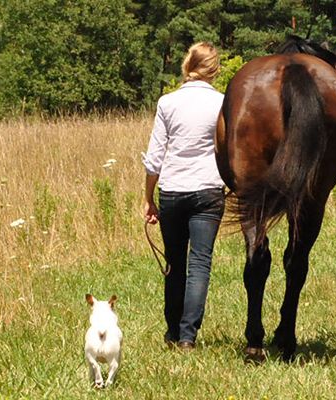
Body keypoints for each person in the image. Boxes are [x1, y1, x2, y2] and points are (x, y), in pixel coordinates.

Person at [143, 42, 225, 350]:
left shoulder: (168, 102)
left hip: (173, 191)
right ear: (214, 70)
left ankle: (172, 331)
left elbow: (154, 158)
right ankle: (188, 336)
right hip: (208, 189)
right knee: (200, 264)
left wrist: (148, 198)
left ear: (186, 66)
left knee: (174, 262)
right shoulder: (222, 102)